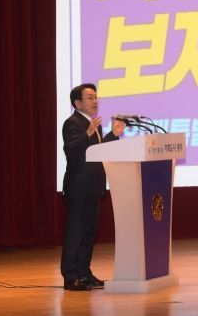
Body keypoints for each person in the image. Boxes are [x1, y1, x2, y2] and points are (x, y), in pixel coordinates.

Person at [60, 83, 125, 291]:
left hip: (94, 186)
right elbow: (71, 150)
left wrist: (113, 134)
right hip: (79, 187)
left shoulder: (94, 124)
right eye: (90, 97)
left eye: (96, 97)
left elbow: (97, 151)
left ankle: (84, 273)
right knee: (76, 232)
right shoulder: (72, 123)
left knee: (89, 232)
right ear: (77, 103)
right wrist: (87, 133)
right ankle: (70, 276)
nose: (95, 101)